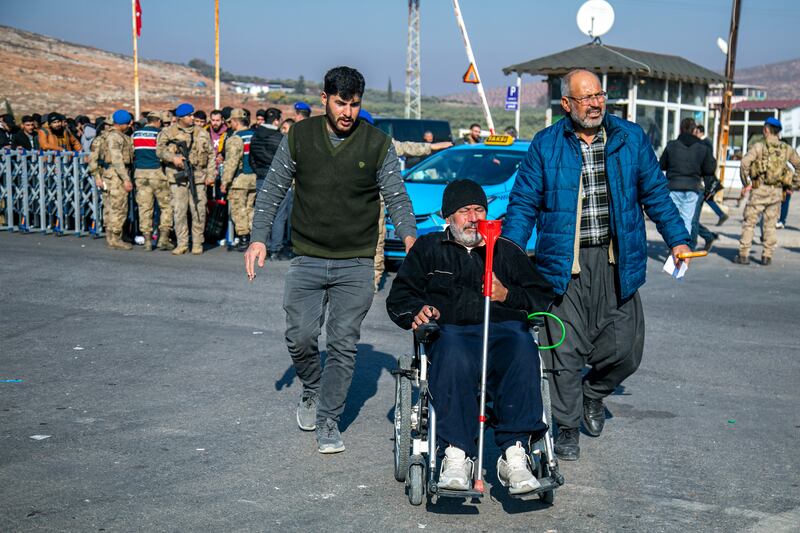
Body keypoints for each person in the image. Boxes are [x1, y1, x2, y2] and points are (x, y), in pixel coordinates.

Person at [503, 69, 691, 461]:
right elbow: (523, 204)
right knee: (564, 351)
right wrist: (509, 254)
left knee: (626, 349)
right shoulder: (546, 144)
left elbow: (655, 192)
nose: (595, 103)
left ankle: (593, 393)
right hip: (562, 264)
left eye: (599, 95)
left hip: (615, 261)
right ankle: (567, 426)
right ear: (566, 104)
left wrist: (677, 239)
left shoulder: (629, 138)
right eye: (585, 98)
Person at [244, 66, 417, 454]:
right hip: (306, 257)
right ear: (324, 99)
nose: (348, 112)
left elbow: (397, 197)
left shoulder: (377, 144)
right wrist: (258, 240)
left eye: (355, 105)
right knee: (301, 336)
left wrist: (409, 238)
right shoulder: (300, 137)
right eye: (341, 103)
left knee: (342, 343)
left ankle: (328, 419)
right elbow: (273, 188)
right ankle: (311, 386)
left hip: (355, 262)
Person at [386, 179, 554, 494]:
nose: (473, 217)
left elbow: (542, 297)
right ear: (448, 216)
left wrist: (507, 295)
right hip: (451, 333)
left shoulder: (504, 250)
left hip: (502, 333)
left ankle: (515, 454)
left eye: (479, 210)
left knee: (522, 345)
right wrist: (418, 312)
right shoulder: (429, 248)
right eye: (465, 211)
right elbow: (400, 298)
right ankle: (456, 454)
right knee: (451, 350)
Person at [358, 109, 453, 290]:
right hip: (349, 204)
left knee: (376, 242)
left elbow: (405, 147)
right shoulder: (343, 143)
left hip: (374, 201)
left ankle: (372, 282)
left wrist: (432, 147)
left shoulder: (379, 143)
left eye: (365, 125)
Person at [734, 117, 800, 265]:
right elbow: (799, 165)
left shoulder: (759, 147)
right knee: (770, 224)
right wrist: (792, 184)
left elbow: (744, 163)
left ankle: (744, 254)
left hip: (759, 190)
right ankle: (767, 256)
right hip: (776, 192)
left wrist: (746, 183)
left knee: (749, 223)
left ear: (766, 130)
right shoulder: (786, 149)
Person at [156, 102, 215, 255]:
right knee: (179, 211)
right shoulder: (168, 132)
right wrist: (173, 158)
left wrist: (210, 175)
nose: (192, 118)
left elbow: (210, 155)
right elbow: (159, 150)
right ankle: (182, 243)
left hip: (198, 176)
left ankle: (197, 242)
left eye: (192, 115)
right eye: (188, 116)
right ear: (180, 118)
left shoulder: (202, 133)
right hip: (177, 177)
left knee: (198, 210)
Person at [659, 118, 716, 239]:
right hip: (692, 188)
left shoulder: (671, 145)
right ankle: (683, 251)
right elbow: (709, 169)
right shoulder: (702, 147)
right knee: (687, 220)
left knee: (672, 220)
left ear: (680, 129)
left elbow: (662, 165)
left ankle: (673, 246)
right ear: (694, 130)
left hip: (673, 187)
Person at [250, 107, 291, 259]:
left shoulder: (255, 136)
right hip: (279, 179)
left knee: (262, 212)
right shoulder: (279, 138)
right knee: (279, 214)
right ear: (276, 121)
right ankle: (276, 248)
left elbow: (251, 159)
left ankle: (263, 246)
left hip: (260, 177)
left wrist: (260, 172)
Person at [133, 112, 173, 251]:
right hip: (158, 173)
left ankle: (148, 241)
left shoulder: (136, 134)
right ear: (158, 121)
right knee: (166, 207)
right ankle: (163, 239)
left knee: (145, 208)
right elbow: (166, 153)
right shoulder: (160, 134)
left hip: (140, 174)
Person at [221, 108, 257, 251]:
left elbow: (231, 163)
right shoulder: (254, 135)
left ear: (235, 121)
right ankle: (253, 237)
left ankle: (243, 238)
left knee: (238, 210)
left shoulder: (235, 139)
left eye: (231, 122)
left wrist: (225, 182)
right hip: (254, 178)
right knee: (250, 209)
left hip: (239, 179)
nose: (230, 125)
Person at [99, 110, 135, 250]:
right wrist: (126, 179)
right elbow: (117, 159)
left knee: (110, 207)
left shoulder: (115, 135)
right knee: (118, 208)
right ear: (121, 124)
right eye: (127, 123)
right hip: (117, 175)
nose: (130, 125)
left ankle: (111, 237)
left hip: (112, 174)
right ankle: (116, 238)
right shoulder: (115, 137)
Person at [693, 125, 728, 226]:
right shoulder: (704, 142)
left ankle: (697, 222)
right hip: (705, 175)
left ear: (700, 132)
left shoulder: (705, 143)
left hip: (706, 176)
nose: (695, 134)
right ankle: (721, 214)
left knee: (705, 197)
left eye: (696, 132)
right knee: (707, 198)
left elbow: (706, 159)